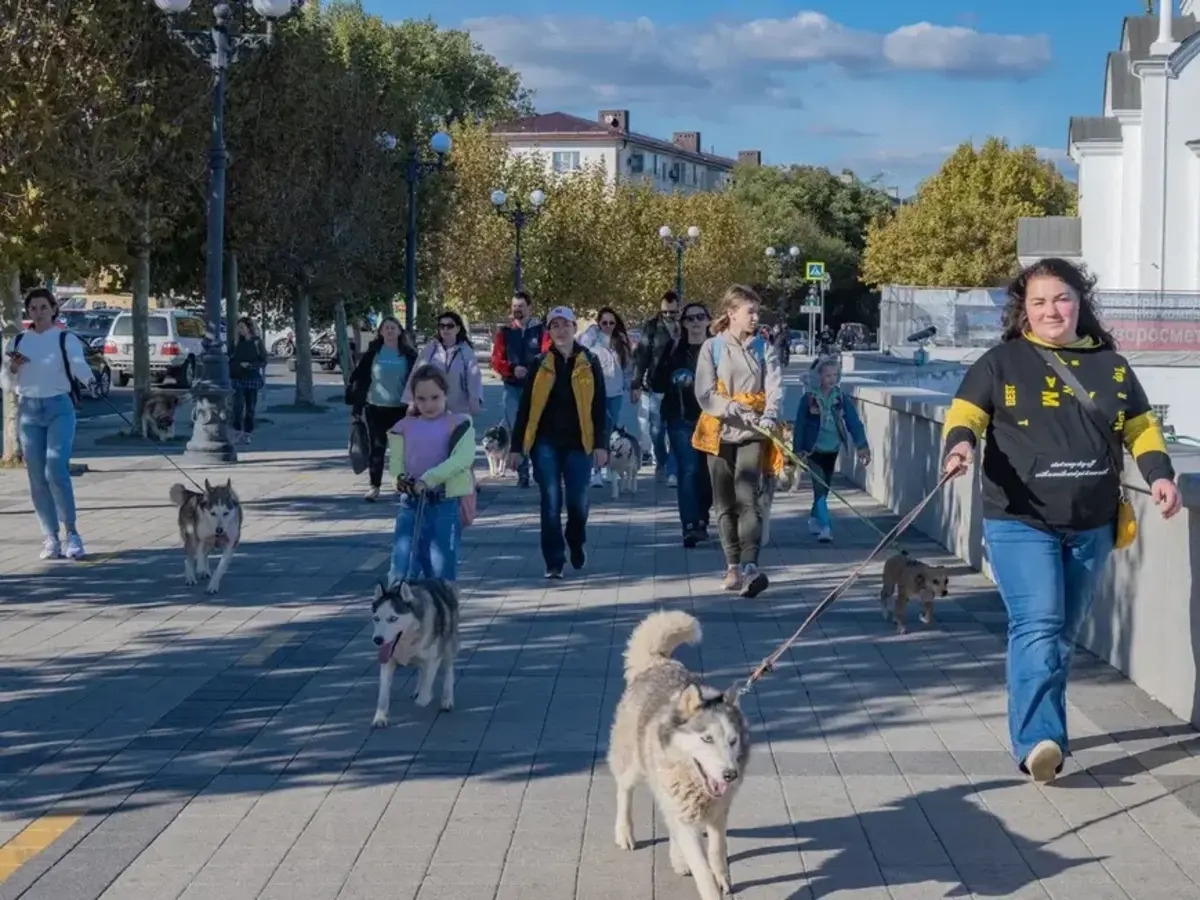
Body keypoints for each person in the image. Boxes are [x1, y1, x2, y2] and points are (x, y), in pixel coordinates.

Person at [942, 257, 1180, 784]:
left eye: (1062, 298)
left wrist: (1160, 475)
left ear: (1080, 303)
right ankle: (1037, 742)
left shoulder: (1112, 367)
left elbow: (1141, 430)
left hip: (1091, 520)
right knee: (1039, 624)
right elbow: (965, 414)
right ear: (1023, 311)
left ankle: (1049, 733)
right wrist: (959, 447)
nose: (1052, 310)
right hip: (1019, 519)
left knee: (1063, 633)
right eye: (1039, 301)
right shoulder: (1001, 362)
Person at [693, 285, 783, 597]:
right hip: (718, 431)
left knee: (749, 496)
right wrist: (731, 407)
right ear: (732, 313)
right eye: (750, 311)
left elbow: (775, 385)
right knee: (724, 503)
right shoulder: (712, 348)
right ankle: (731, 565)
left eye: (758, 311)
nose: (756, 317)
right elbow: (704, 391)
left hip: (753, 431)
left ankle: (750, 566)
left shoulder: (764, 348)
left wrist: (769, 414)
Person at [510, 306, 608, 579]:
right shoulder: (539, 363)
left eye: (565, 325)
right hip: (546, 444)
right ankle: (554, 560)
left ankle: (575, 541)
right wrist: (517, 447)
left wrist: (601, 445)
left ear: (574, 328)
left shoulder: (589, 361)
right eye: (555, 325)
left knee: (578, 503)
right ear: (549, 331)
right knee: (550, 500)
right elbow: (525, 408)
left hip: (580, 443)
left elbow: (600, 406)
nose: (561, 330)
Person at [2, 288, 96, 560]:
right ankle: (50, 537)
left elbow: (79, 365)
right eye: (33, 308)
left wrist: (90, 381)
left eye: (44, 307)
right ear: (27, 312)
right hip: (29, 410)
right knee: (36, 477)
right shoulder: (18, 341)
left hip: (59, 408)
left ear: (54, 309)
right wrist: (14, 368)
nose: (38, 313)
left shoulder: (65, 338)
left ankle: (73, 534)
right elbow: (7, 384)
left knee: (56, 468)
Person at [385, 366, 475, 583]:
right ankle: (402, 611)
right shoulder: (404, 427)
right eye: (421, 399)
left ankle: (442, 614)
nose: (428, 404)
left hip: (444, 503)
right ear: (413, 398)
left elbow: (462, 460)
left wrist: (429, 478)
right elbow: (396, 462)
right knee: (402, 568)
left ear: (445, 393)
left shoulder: (460, 424)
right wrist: (398, 480)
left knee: (441, 571)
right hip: (411, 504)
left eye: (435, 397)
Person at [651, 301, 713, 548]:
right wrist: (674, 378)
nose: (695, 322)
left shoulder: (718, 348)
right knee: (688, 469)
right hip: (680, 417)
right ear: (683, 323)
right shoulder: (673, 348)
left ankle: (701, 517)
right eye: (690, 319)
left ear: (708, 320)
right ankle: (689, 525)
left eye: (700, 317)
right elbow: (656, 382)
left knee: (708, 474)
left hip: (711, 419)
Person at [792, 358, 870, 543]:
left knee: (824, 488)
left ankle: (813, 518)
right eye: (827, 375)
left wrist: (862, 445)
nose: (831, 379)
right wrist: (798, 449)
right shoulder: (809, 398)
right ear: (818, 377)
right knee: (820, 488)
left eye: (835, 375)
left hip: (832, 448)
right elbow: (800, 425)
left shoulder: (840, 398)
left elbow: (854, 422)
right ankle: (826, 527)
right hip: (813, 450)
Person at [346, 316, 417, 501]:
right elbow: (361, 380)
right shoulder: (373, 353)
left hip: (401, 409)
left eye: (393, 327)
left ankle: (400, 483)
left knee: (399, 449)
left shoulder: (409, 355)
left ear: (400, 331)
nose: (390, 331)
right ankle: (374, 486)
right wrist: (356, 409)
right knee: (377, 448)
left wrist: (415, 404)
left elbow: (416, 381)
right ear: (380, 332)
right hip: (375, 407)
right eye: (386, 328)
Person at [490, 292, 550, 488]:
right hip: (512, 387)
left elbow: (547, 354)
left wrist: (532, 369)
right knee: (517, 428)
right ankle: (522, 472)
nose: (517, 310)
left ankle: (540, 469)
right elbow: (496, 360)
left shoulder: (541, 330)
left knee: (539, 427)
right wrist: (512, 369)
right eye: (514, 306)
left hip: (536, 387)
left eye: (521, 306)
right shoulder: (504, 333)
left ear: (529, 308)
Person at [579, 306, 633, 488]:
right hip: (596, 393)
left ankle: (608, 468)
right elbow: (580, 348)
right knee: (596, 429)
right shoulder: (593, 340)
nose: (608, 326)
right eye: (604, 322)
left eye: (611, 323)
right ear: (598, 323)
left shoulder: (620, 342)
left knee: (610, 432)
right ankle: (595, 471)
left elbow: (627, 368)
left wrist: (630, 387)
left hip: (616, 394)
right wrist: (593, 330)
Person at [631, 291, 680, 483]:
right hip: (656, 383)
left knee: (676, 428)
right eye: (665, 312)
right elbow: (642, 355)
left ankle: (672, 468)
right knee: (657, 430)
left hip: (679, 387)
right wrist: (635, 383)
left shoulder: (683, 326)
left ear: (679, 309)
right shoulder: (652, 327)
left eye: (673, 312)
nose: (669, 316)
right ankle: (662, 459)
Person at [402, 310, 482, 417]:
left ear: (458, 329)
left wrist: (475, 402)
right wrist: (411, 401)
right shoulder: (430, 349)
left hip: (457, 409)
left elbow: (474, 379)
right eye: (442, 326)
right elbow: (416, 374)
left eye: (450, 326)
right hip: (430, 408)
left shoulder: (466, 352)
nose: (445, 329)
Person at [229, 316, 267, 445]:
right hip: (237, 377)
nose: (240, 330)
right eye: (238, 328)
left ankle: (247, 433)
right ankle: (237, 431)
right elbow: (231, 358)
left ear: (249, 328)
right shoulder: (236, 342)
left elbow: (263, 360)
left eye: (242, 327)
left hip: (251, 378)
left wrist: (251, 365)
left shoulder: (256, 342)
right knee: (237, 406)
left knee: (250, 407)